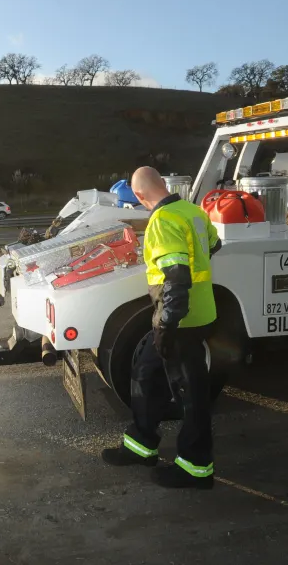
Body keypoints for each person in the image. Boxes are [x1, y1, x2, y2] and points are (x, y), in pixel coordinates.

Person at [101, 166, 222, 490]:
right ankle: (141, 445)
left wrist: (167, 325)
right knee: (145, 374)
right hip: (197, 313)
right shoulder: (193, 212)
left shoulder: (163, 221)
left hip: (181, 321)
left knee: (190, 393)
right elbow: (214, 244)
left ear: (139, 195)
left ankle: (196, 468)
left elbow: (177, 277)